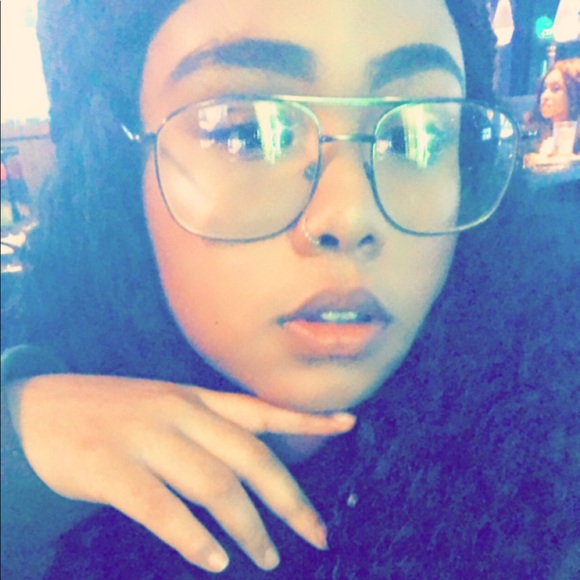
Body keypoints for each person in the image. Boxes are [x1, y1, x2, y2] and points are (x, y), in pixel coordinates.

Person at [1, 0, 578, 578]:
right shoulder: (43, 479)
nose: (349, 215)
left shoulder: (550, 453)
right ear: (114, 170)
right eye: (246, 132)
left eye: (417, 134)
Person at [525, 58, 580, 155]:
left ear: (574, 95)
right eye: (544, 88)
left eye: (555, 89)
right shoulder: (533, 140)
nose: (544, 96)